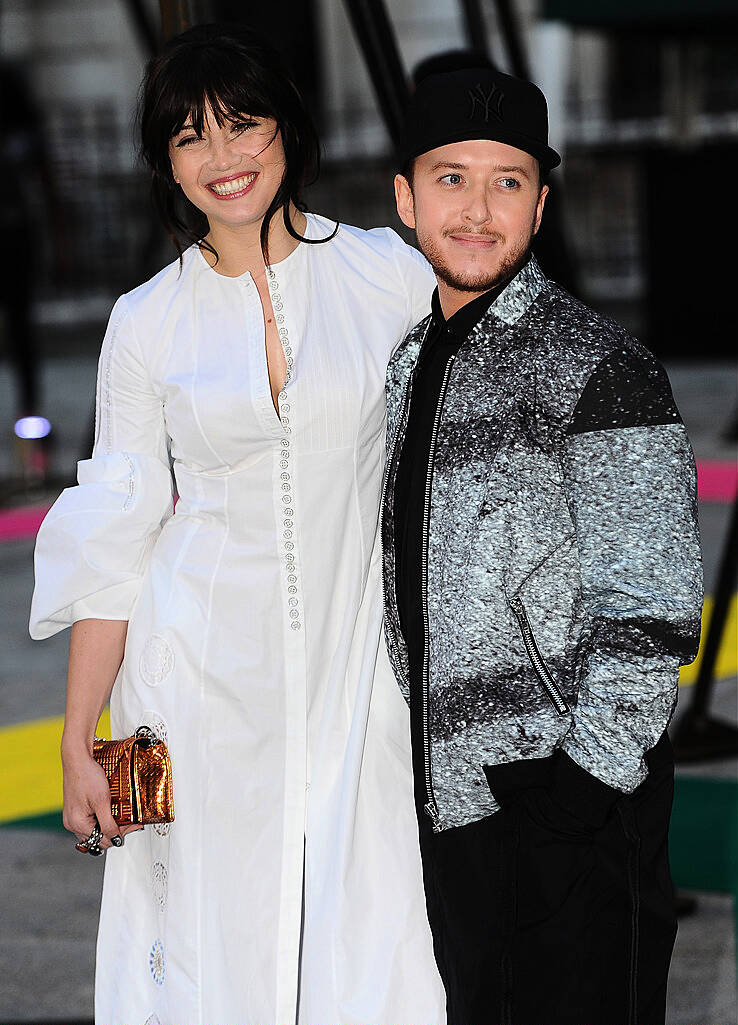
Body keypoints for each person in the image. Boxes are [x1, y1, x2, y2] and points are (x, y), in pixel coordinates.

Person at [29, 24, 446, 1025]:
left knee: (377, 933)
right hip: (196, 679)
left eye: (242, 124)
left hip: (360, 674)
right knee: (204, 939)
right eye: (189, 137)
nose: (222, 157)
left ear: (288, 130)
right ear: (165, 164)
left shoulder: (387, 273)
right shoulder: (145, 320)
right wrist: (80, 733)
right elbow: (117, 531)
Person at [381, 65, 703, 1025]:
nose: (478, 209)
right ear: (403, 197)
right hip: (457, 810)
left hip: (571, 807)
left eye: (508, 181)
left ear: (541, 203)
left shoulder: (599, 366)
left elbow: (651, 615)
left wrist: (576, 793)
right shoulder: (408, 360)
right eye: (450, 178)